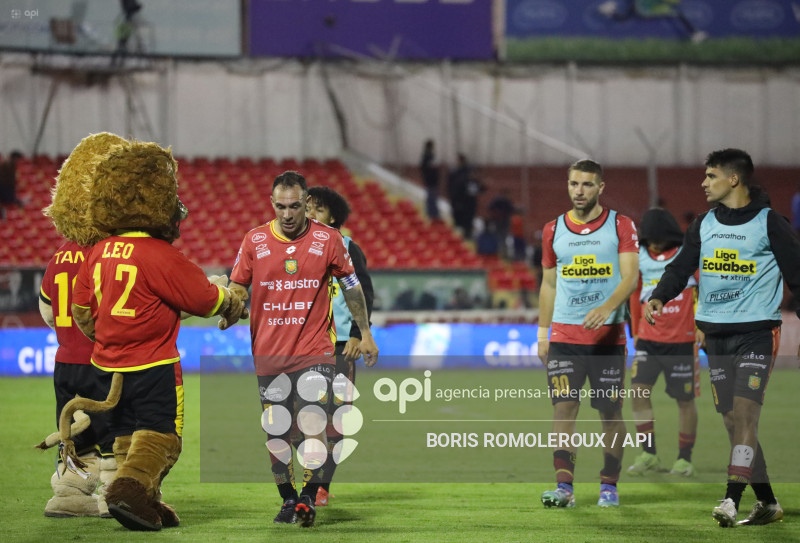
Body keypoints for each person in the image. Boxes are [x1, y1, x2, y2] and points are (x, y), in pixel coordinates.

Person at [71, 140, 248, 531]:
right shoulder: (160, 254)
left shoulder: (98, 252)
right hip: (152, 365)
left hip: (106, 367)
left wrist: (110, 338)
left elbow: (82, 311)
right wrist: (231, 299)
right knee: (162, 436)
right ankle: (128, 490)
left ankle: (143, 499)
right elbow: (204, 299)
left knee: (126, 434)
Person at [645, 148, 800, 527]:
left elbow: (798, 275)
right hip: (715, 338)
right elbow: (680, 267)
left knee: (745, 416)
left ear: (734, 179)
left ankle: (731, 499)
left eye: (711, 175)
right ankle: (767, 502)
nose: (704, 182)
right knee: (732, 422)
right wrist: (659, 295)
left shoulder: (770, 223)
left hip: (756, 334)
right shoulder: (703, 224)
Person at [228, 171, 378, 528]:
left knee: (313, 421)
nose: (287, 214)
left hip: (315, 350)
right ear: (272, 203)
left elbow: (353, 286)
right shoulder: (254, 240)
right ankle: (287, 499)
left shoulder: (329, 239)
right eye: (281, 207)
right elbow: (236, 286)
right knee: (277, 431)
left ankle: (308, 497)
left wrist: (365, 332)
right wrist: (229, 308)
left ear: (305, 202)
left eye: (295, 206)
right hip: (269, 351)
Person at [537, 159, 639, 508]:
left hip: (608, 339)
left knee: (610, 413)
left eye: (587, 184)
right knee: (563, 411)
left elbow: (631, 277)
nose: (579, 191)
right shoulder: (553, 229)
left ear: (600, 187)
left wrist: (607, 307)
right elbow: (549, 284)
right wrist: (542, 333)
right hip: (565, 338)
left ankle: (609, 486)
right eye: (573, 184)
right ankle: (564, 488)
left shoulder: (621, 225)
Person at [37, 134, 126, 518]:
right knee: (112, 431)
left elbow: (46, 309)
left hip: (64, 362)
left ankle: (68, 494)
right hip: (100, 360)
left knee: (73, 431)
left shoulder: (60, 255)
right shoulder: (109, 253)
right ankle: (113, 497)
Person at [305, 185, 374, 507]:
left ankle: (320, 484)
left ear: (333, 217)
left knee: (336, 417)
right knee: (299, 418)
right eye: (307, 208)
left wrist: (360, 334)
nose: (310, 214)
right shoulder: (294, 250)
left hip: (342, 344)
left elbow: (364, 293)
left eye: (318, 209)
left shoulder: (347, 248)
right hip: (303, 343)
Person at [626, 207, 698, 477]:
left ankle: (684, 459)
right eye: (651, 239)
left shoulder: (686, 256)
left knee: (685, 400)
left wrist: (701, 325)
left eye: (659, 239)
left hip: (681, 340)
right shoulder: (640, 257)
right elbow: (635, 293)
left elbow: (702, 290)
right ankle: (649, 454)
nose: (654, 244)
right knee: (638, 393)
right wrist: (635, 330)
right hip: (648, 339)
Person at [448, 153, 482, 239]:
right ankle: (462, 235)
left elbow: (476, 189)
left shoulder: (465, 176)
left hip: (465, 203)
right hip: (461, 202)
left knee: (466, 221)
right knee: (460, 220)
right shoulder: (456, 173)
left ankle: (466, 235)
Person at [0, 150, 24, 220]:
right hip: (4, 185)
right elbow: (8, 177)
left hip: (7, 185)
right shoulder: (7, 164)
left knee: (8, 201)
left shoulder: (11, 164)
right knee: (8, 200)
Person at [420, 139, 440, 220]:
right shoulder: (427, 156)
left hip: (431, 181)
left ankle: (433, 213)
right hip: (430, 181)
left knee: (432, 198)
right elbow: (425, 168)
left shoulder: (430, 156)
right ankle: (432, 214)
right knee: (431, 198)